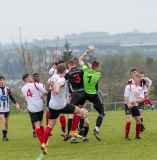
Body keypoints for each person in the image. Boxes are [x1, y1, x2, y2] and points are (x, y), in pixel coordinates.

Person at [41, 64, 86, 155]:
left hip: (52, 106)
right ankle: (73, 131)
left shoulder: (53, 76)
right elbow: (58, 83)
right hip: (61, 105)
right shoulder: (61, 79)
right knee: (80, 112)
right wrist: (57, 89)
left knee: (50, 126)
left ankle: (43, 144)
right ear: (65, 71)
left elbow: (50, 81)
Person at [78, 45, 105, 141]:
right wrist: (92, 67)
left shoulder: (85, 70)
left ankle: (80, 127)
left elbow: (80, 59)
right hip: (94, 95)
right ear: (97, 67)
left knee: (81, 110)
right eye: (99, 66)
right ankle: (96, 129)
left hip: (85, 94)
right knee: (102, 113)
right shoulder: (98, 74)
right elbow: (95, 71)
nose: (99, 68)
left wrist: (87, 52)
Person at [64, 59, 88, 143]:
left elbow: (64, 84)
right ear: (75, 64)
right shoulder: (82, 70)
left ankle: (71, 136)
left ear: (69, 65)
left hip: (75, 94)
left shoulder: (68, 74)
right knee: (81, 111)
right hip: (83, 93)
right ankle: (81, 128)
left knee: (71, 114)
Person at [21, 74, 47, 146]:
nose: (31, 78)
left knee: (37, 125)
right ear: (26, 80)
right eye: (29, 77)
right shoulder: (36, 84)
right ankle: (44, 141)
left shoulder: (23, 89)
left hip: (31, 108)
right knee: (41, 123)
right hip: (39, 107)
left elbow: (28, 96)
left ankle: (42, 142)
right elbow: (45, 92)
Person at [48, 58, 68, 137]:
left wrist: (55, 64)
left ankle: (49, 129)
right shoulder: (65, 73)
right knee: (62, 111)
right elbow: (60, 82)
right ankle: (63, 131)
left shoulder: (54, 72)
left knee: (50, 110)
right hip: (59, 91)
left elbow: (49, 78)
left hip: (51, 91)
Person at [124, 73, 144, 140]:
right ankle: (126, 136)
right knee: (129, 120)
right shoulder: (129, 86)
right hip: (128, 105)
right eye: (135, 78)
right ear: (133, 79)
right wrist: (128, 103)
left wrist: (135, 101)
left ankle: (137, 136)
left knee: (139, 121)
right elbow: (125, 97)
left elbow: (141, 99)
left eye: (138, 78)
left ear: (140, 80)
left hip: (135, 106)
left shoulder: (141, 89)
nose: (136, 79)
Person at [0, 76, 20, 141]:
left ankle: (5, 135)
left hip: (6, 109)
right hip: (0, 109)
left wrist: (16, 103)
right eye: (0, 80)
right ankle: (4, 136)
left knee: (6, 123)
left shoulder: (7, 89)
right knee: (4, 122)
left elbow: (11, 97)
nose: (2, 81)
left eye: (3, 80)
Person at [31, 73, 46, 138]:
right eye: (35, 77)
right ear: (33, 78)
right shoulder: (31, 85)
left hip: (40, 103)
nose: (36, 78)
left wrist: (44, 98)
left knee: (40, 120)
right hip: (33, 104)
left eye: (37, 76)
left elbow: (44, 93)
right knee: (33, 120)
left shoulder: (42, 85)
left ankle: (40, 132)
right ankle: (34, 131)